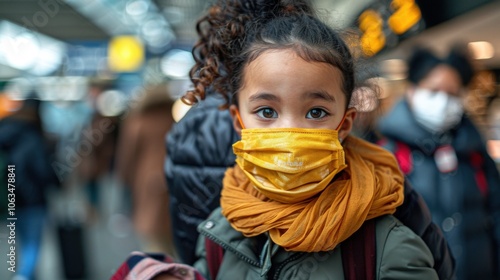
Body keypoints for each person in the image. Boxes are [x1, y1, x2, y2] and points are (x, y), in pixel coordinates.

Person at [114, 0, 449, 279]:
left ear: (345, 124)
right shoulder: (221, 228)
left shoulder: (387, 247)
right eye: (267, 111)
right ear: (238, 120)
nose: (289, 132)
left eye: (316, 112)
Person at [377, 46, 500, 280]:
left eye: (453, 93)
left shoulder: (473, 151)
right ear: (412, 90)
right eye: (433, 90)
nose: (443, 100)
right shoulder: (387, 154)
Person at [0, 96, 59, 280]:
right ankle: (23, 276)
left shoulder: (4, 131)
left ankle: (24, 274)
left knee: (16, 242)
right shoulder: (32, 135)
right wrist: (57, 182)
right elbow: (42, 169)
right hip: (31, 199)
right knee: (32, 243)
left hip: (6, 198)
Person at [115, 84, 177, 257]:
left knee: (152, 238)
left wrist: (124, 178)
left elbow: (127, 156)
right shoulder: (172, 119)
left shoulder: (138, 121)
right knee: (170, 234)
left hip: (146, 181)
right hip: (173, 178)